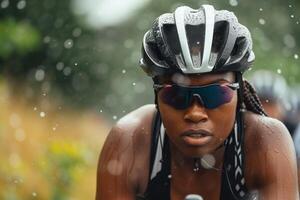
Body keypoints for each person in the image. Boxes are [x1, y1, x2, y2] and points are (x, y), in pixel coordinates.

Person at [96, 5, 299, 200]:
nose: (195, 113)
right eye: (175, 95)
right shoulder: (129, 140)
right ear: (156, 97)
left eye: (215, 94)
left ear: (239, 93)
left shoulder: (267, 142)